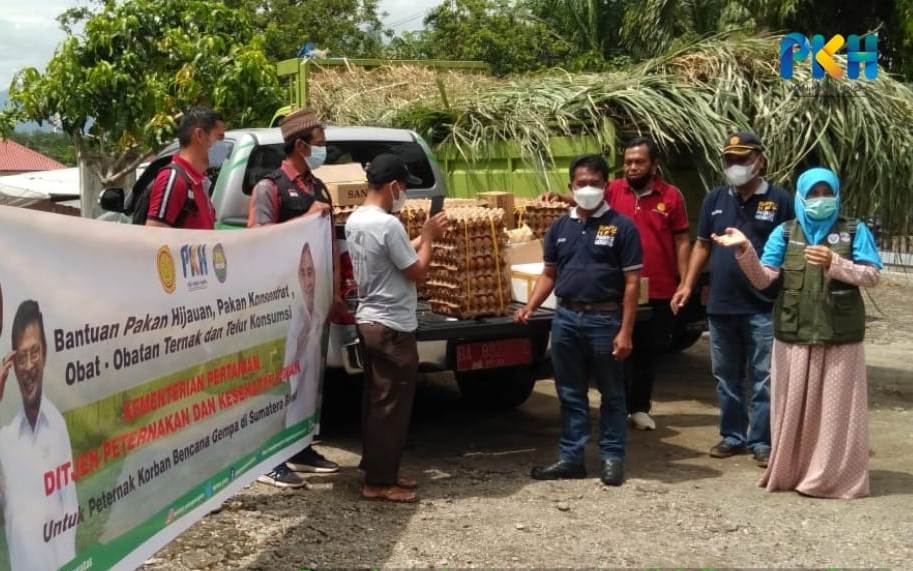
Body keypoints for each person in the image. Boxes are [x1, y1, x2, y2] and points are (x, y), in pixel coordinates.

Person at [713, 167, 882, 498]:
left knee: (836, 412)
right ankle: (793, 471)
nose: (821, 200)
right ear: (801, 196)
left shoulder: (853, 230)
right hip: (794, 335)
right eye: (813, 194)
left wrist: (835, 263)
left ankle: (832, 477)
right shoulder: (786, 232)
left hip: (840, 337)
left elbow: (872, 276)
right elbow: (764, 279)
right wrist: (745, 250)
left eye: (826, 193)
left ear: (836, 195)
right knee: (792, 407)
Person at [516, 154, 642, 487]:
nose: (588, 189)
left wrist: (626, 331)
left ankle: (612, 457)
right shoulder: (560, 227)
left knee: (612, 393)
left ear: (605, 186)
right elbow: (549, 273)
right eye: (581, 183)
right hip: (566, 319)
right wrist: (531, 306)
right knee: (570, 393)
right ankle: (572, 458)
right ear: (570, 186)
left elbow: (631, 283)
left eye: (594, 184)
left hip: (604, 320)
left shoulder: (622, 227)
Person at [671, 132, 795, 467]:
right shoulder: (714, 199)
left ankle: (762, 441)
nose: (735, 165)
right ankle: (732, 436)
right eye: (730, 159)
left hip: (762, 305)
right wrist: (687, 284)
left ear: (760, 161)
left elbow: (791, 249)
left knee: (764, 378)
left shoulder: (780, 200)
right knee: (726, 376)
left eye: (742, 159)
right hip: (722, 305)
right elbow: (701, 245)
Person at [345, 153, 448, 502]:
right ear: (392, 186)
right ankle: (379, 482)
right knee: (391, 408)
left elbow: (396, 255)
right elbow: (417, 272)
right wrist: (429, 237)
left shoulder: (357, 220)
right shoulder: (388, 225)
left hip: (370, 320)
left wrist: (419, 238)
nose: (403, 194)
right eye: (403, 187)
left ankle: (379, 469)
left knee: (377, 401)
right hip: (391, 325)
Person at [250, 109, 341, 488]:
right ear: (301, 145)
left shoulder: (317, 186)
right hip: (281, 302)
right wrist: (303, 219)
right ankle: (269, 458)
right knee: (280, 378)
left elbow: (329, 241)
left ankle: (301, 445)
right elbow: (259, 239)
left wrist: (335, 290)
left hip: (313, 299)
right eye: (319, 143)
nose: (323, 149)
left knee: (308, 377)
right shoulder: (269, 188)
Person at [607, 136, 690, 431]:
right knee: (615, 350)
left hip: (658, 288)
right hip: (618, 288)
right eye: (628, 162)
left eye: (639, 162)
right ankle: (616, 407)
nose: (632, 167)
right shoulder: (612, 190)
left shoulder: (671, 196)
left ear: (653, 165)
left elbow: (682, 240)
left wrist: (684, 282)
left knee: (646, 351)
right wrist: (559, 198)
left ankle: (639, 408)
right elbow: (582, 204)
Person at [0, 300, 79, 571]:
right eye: (21, 358)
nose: (29, 366)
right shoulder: (6, 439)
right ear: (13, 366)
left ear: (44, 353)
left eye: (34, 352)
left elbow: (70, 510)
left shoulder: (57, 426)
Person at [145, 106, 225, 229]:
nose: (223, 146)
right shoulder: (173, 179)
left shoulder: (200, 182)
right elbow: (154, 236)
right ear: (199, 135)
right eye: (219, 137)